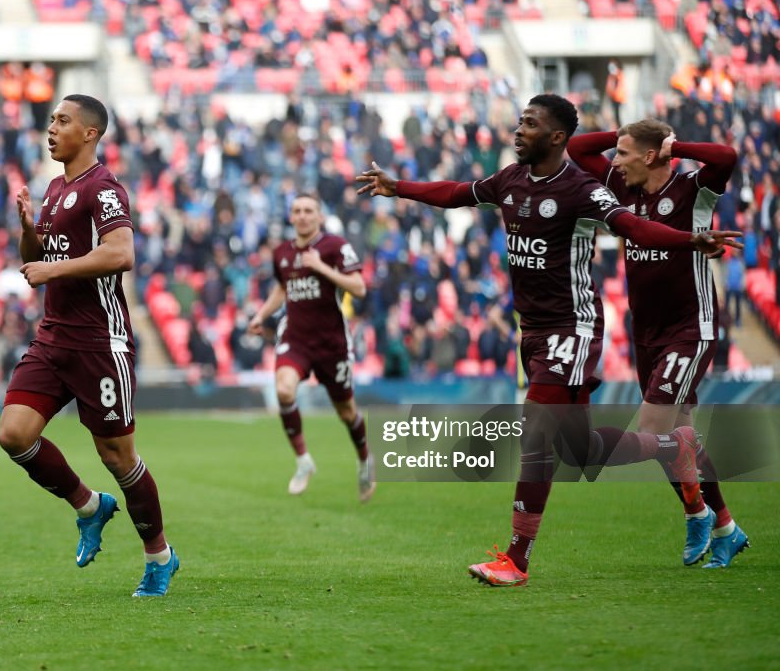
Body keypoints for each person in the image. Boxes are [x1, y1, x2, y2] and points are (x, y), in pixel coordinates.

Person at [356, 93, 742, 586]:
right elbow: (456, 192)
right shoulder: (510, 180)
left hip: (573, 329)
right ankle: (672, 446)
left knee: (536, 430)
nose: (518, 130)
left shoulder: (584, 189)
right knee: (579, 452)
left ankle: (516, 560)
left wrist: (690, 239)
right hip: (532, 331)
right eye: (519, 121)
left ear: (556, 137)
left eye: (530, 123)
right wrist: (399, 188)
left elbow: (634, 227)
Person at [0, 94, 179, 597]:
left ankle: (159, 556)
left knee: (119, 458)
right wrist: (30, 232)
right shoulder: (55, 187)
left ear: (91, 133)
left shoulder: (104, 188)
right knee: (14, 434)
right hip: (54, 336)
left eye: (62, 121)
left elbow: (121, 253)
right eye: (51, 120)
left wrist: (52, 267)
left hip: (101, 342)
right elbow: (36, 260)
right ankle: (88, 506)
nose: (51, 128)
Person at [568, 120, 750, 568]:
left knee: (653, 433)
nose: (615, 161)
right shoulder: (620, 183)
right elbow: (575, 147)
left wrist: (674, 146)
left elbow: (726, 156)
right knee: (679, 437)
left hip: (690, 326)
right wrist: (623, 136)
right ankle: (726, 528)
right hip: (645, 330)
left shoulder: (694, 188)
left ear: (651, 156)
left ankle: (696, 513)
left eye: (626, 153)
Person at [248, 194, 376, 502]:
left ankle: (364, 460)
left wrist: (321, 267)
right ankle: (303, 461)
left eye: (309, 211)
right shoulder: (281, 253)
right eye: (297, 211)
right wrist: (261, 315)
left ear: (319, 217)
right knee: (284, 391)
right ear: (290, 217)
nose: (303, 216)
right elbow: (283, 287)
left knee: (346, 412)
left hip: (332, 344)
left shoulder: (334, 247)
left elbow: (359, 288)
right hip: (296, 339)